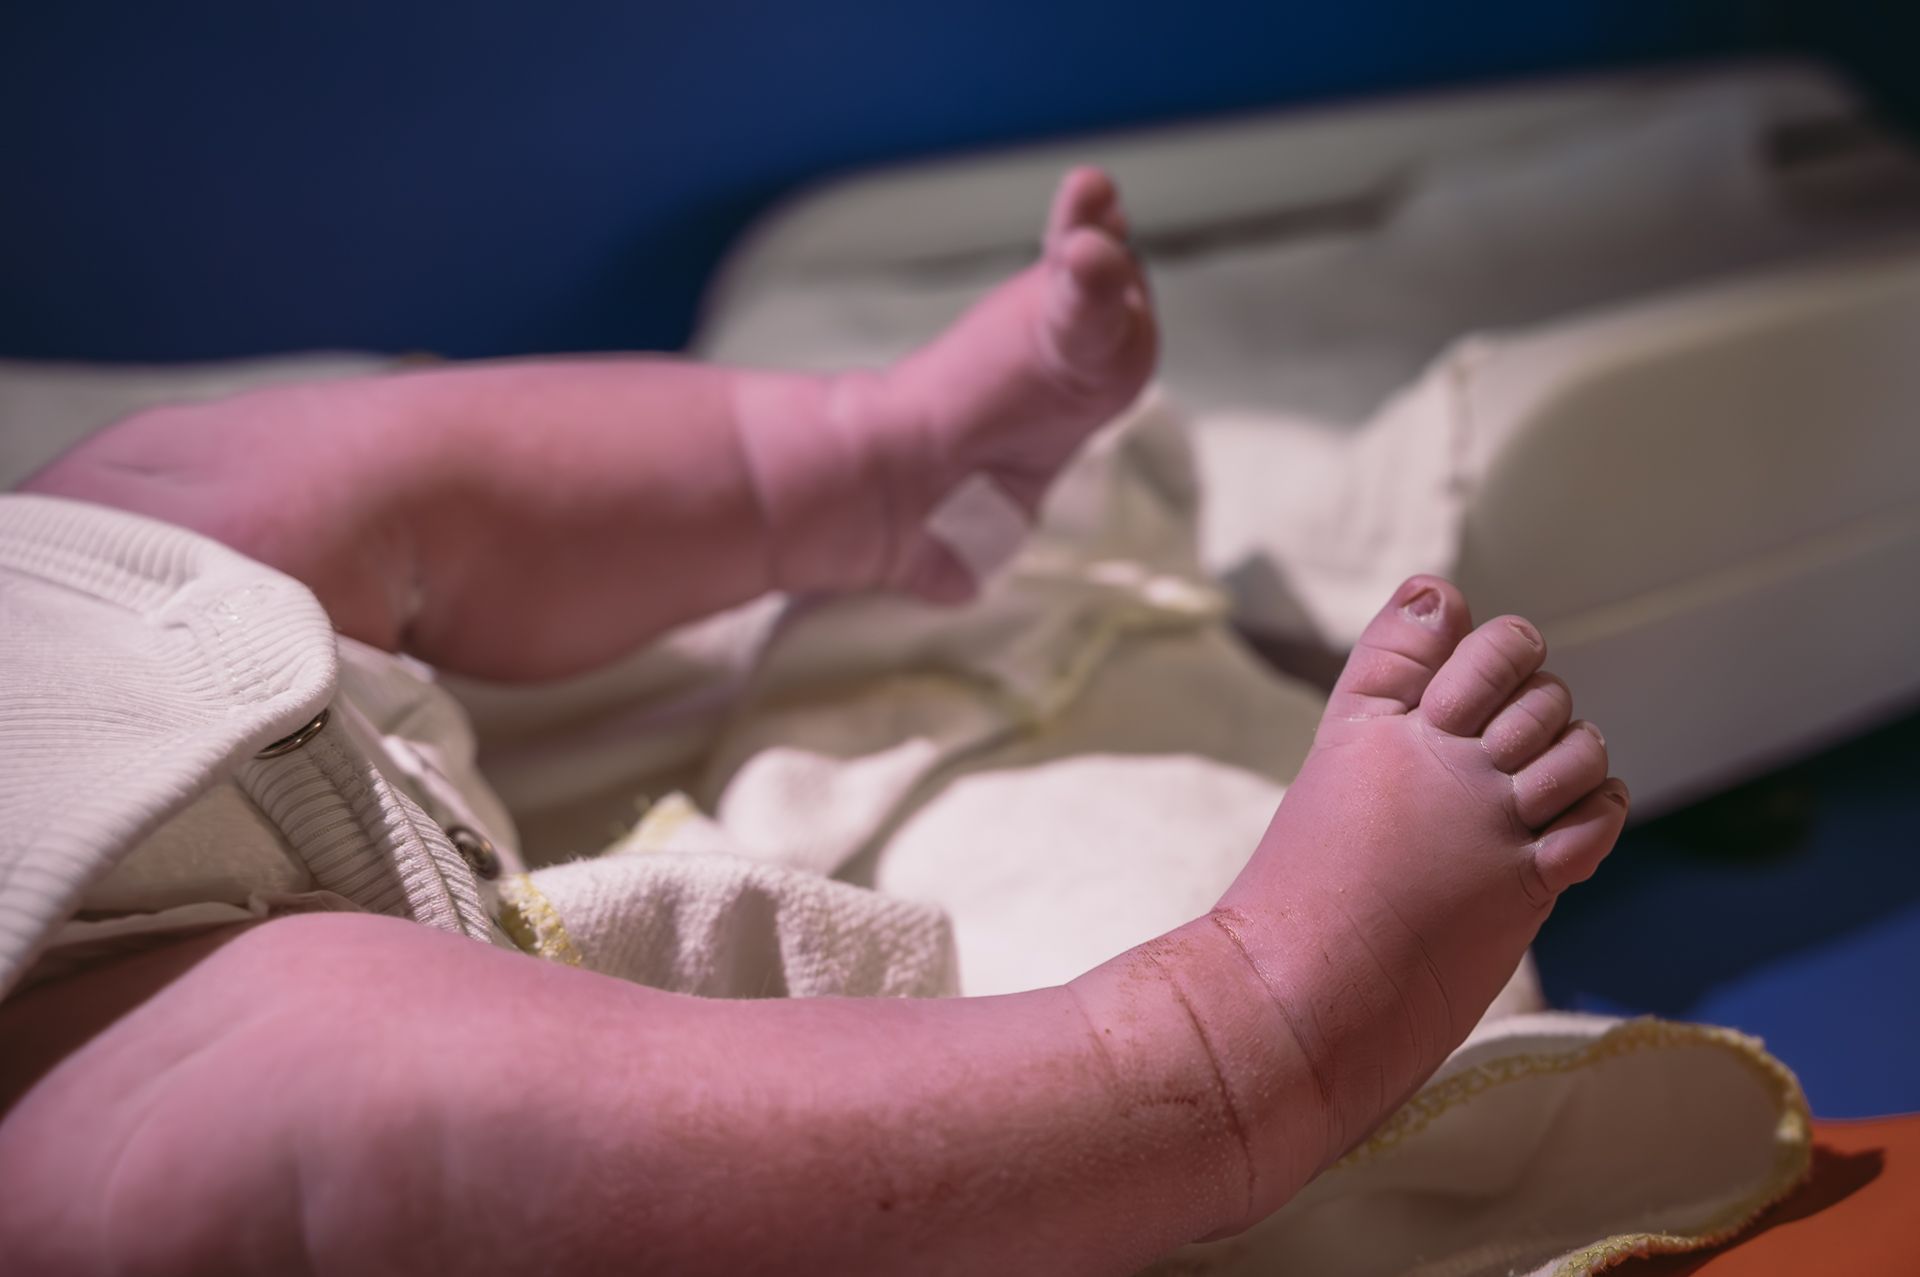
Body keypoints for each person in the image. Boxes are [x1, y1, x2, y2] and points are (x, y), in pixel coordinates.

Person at [0, 169, 1626, 1274]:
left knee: (176, 477)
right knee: (337, 1104)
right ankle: (1227, 1050)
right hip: (75, 1020)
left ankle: (864, 464)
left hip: (83, 630)